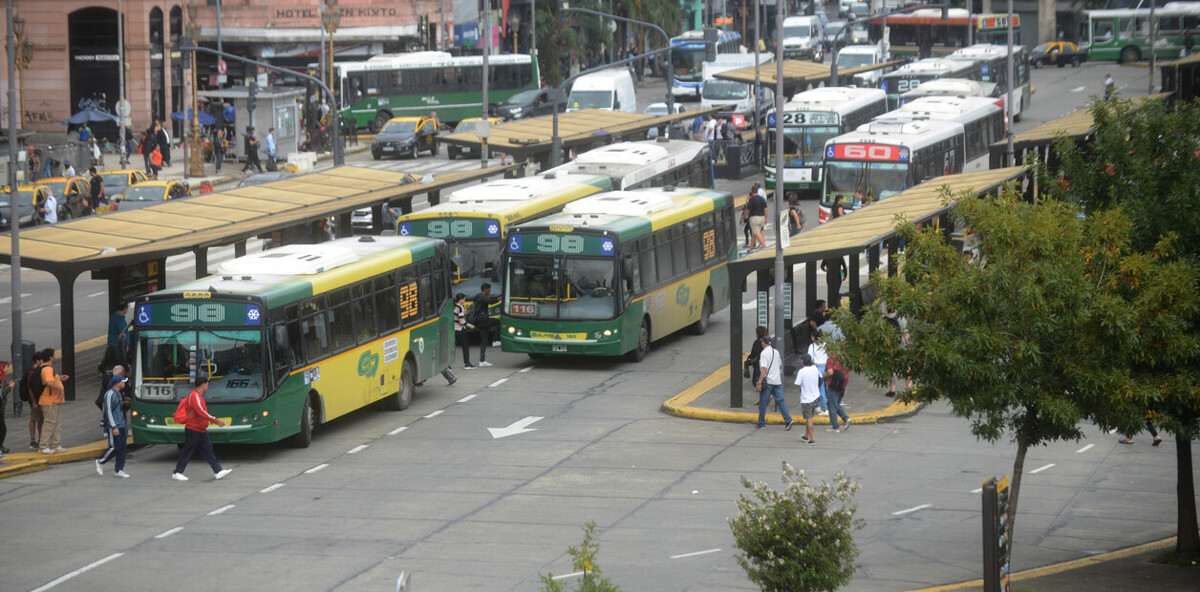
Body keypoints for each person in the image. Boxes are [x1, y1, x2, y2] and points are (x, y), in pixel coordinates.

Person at [172, 376, 233, 482]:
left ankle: (218, 471)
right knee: (188, 450)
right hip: (193, 429)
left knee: (208, 450)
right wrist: (216, 420)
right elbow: (201, 412)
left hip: (200, 429)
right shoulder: (194, 396)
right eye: (207, 385)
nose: (207, 387)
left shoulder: (197, 396)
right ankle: (177, 472)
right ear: (204, 385)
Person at [755, 335, 794, 430]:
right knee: (780, 401)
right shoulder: (776, 352)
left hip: (768, 381)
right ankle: (788, 420)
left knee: (763, 402)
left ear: (764, 343)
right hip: (777, 381)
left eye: (762, 342)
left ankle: (761, 423)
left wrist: (759, 381)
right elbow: (780, 366)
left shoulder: (764, 354)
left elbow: (764, 368)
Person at [95, 375, 131, 478]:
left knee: (122, 447)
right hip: (114, 425)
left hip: (122, 424)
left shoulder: (119, 393)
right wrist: (114, 426)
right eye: (122, 381)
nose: (124, 383)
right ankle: (100, 461)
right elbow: (108, 412)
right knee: (115, 447)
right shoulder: (109, 394)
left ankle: (119, 469)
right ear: (117, 383)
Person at [37, 348, 69, 454]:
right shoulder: (47, 369)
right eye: (54, 355)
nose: (55, 357)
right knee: (49, 423)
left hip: (54, 401)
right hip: (49, 401)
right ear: (50, 357)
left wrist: (59, 378)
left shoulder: (48, 369)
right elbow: (49, 382)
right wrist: (60, 389)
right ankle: (43, 446)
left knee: (56, 424)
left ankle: (55, 445)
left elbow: (51, 380)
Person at [469, 283, 502, 367]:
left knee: (484, 340)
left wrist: (497, 298)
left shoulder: (478, 296)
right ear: (485, 289)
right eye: (489, 289)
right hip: (483, 321)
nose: (490, 291)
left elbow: (487, 299)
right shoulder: (482, 296)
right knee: (499, 322)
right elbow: (490, 301)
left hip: (479, 321)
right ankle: (496, 340)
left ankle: (482, 360)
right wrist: (498, 299)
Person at [793, 353, 821, 446]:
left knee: (809, 418)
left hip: (807, 398)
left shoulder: (802, 371)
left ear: (804, 361)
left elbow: (797, 385)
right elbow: (820, 378)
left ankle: (812, 439)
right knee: (810, 417)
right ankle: (806, 435)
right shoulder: (815, 368)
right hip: (815, 396)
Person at [884, 308, 913, 397]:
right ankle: (909, 389)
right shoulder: (900, 317)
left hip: (891, 348)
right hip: (902, 347)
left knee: (892, 369)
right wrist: (909, 346)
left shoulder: (884, 318)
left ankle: (892, 390)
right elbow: (906, 333)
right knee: (906, 368)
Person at [23, 351, 44, 449]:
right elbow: (29, 388)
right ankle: (33, 440)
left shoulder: (39, 370)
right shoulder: (32, 372)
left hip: (41, 400)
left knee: (41, 419)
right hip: (34, 400)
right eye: (42, 360)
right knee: (34, 419)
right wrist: (34, 402)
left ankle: (40, 439)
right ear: (37, 360)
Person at [824, 354, 851, 433]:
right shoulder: (842, 358)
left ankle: (835, 427)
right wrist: (845, 386)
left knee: (831, 406)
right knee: (837, 403)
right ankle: (846, 418)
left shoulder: (830, 360)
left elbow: (830, 372)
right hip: (842, 386)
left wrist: (823, 375)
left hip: (833, 386)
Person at [806, 331, 830, 414]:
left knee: (820, 388)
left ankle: (824, 408)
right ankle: (820, 405)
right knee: (824, 386)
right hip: (826, 367)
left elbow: (810, 358)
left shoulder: (812, 346)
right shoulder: (826, 345)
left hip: (817, 368)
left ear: (813, 337)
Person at [742, 183, 768, 251]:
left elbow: (747, 210)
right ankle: (751, 248)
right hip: (761, 217)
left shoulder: (752, 199)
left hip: (754, 218)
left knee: (757, 233)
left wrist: (743, 217)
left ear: (752, 192)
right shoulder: (762, 199)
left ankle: (765, 246)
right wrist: (765, 218)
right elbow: (765, 208)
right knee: (754, 233)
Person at [454, 293, 476, 369]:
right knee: (465, 347)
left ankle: (447, 366)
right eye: (464, 299)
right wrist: (470, 325)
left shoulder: (453, 306)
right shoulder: (460, 307)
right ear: (461, 300)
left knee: (452, 347)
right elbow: (461, 321)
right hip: (460, 329)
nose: (465, 300)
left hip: (453, 329)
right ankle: (467, 363)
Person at [0, 361, 11, 457]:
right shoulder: (1, 380)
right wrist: (9, 388)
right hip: (1, 408)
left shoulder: (3, 379)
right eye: (5, 367)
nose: (7, 369)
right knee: (3, 429)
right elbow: (2, 394)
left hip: (2, 407)